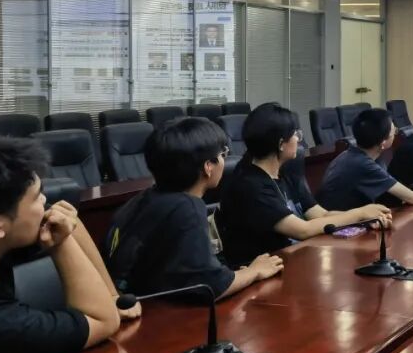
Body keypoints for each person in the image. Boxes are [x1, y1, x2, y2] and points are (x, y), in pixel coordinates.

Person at [0, 134, 123, 353]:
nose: (45, 200)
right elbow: (103, 320)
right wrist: (59, 243)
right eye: (36, 198)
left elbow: (71, 223)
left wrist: (113, 297)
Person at [104, 117, 283, 301]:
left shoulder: (142, 199)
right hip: (161, 315)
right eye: (223, 154)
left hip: (136, 305)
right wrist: (254, 272)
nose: (224, 160)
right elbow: (212, 286)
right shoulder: (187, 207)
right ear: (208, 167)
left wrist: (234, 275)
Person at [218, 103, 391, 265]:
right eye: (295, 134)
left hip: (292, 260)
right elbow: (302, 230)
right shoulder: (250, 185)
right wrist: (359, 213)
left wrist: (364, 220)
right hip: (262, 273)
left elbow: (321, 215)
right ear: (280, 144)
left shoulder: (285, 173)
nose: (299, 139)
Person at [318, 108, 413, 210]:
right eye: (394, 132)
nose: (395, 135)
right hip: (338, 223)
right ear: (383, 143)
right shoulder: (363, 164)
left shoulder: (348, 154)